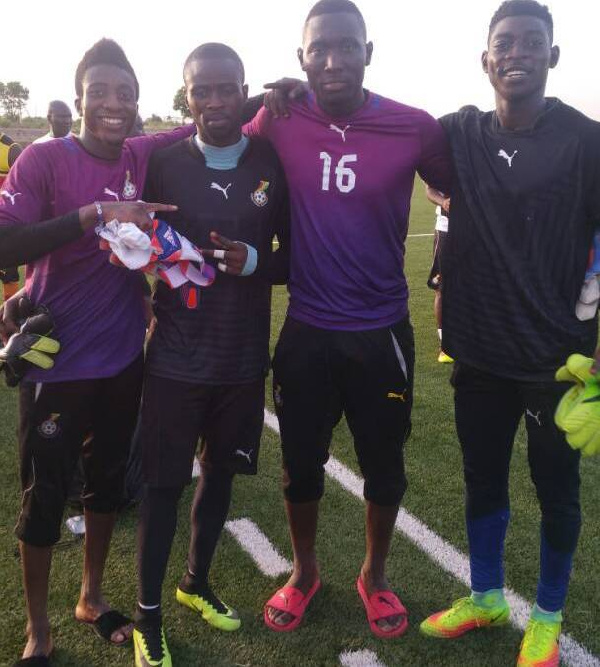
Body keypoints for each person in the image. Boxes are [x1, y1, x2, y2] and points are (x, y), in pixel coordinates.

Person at [245, 0, 452, 638]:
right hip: (307, 328)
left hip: (382, 330)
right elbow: (214, 149)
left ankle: (375, 575)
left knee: (384, 464)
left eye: (347, 46)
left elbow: (466, 198)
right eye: (319, 48)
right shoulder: (278, 118)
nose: (333, 60)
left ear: (370, 50)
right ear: (301, 57)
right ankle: (305, 573)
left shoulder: (413, 127)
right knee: (300, 464)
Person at [0, 38, 193, 666]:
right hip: (56, 365)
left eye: (126, 94)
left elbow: (208, 120)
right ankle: (38, 630)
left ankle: (88, 597)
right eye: (100, 93)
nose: (114, 105)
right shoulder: (43, 160)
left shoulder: (138, 151)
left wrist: (273, 102)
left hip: (120, 364)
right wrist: (96, 212)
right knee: (43, 496)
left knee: (106, 487)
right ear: (80, 97)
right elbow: (6, 245)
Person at [419, 3, 600, 666]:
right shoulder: (459, 132)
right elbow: (382, 130)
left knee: (557, 489)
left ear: (553, 56)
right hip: (479, 351)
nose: (517, 52)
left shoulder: (587, 140)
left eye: (532, 42)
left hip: (559, 360)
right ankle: (487, 595)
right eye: (505, 42)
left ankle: (547, 620)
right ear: (486, 58)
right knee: (482, 478)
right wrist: (287, 98)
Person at [132, 42, 290, 667]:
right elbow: (132, 240)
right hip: (174, 359)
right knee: (164, 487)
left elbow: (297, 257)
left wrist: (255, 262)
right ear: (186, 94)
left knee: (220, 477)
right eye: (203, 90)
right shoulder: (164, 165)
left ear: (243, 89)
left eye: (228, 88)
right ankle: (148, 618)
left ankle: (195, 582)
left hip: (242, 360)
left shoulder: (272, 162)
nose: (216, 101)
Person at [425, 185, 453, 363]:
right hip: (446, 229)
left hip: (475, 228)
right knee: (442, 288)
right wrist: (443, 201)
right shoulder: (440, 159)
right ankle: (445, 345)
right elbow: (430, 190)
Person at [1, 132, 23, 301]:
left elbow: (25, 188)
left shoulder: (11, 149)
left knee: (8, 272)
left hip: (4, 225)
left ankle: (8, 321)